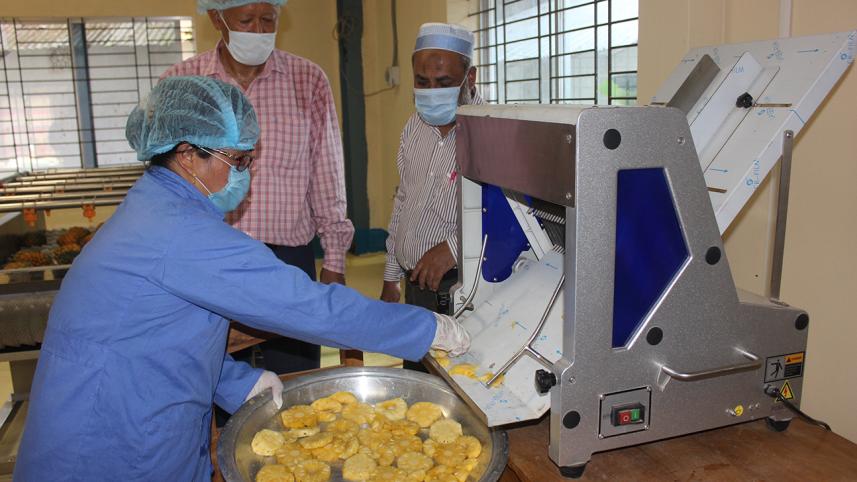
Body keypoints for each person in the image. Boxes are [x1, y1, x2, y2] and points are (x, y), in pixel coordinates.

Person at [13, 76, 469, 481]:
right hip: (107, 448)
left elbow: (158, 339)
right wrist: (426, 328)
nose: (244, 175)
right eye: (238, 161)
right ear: (188, 154)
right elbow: (308, 306)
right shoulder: (178, 232)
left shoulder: (156, 206)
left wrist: (234, 383)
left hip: (131, 412)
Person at [162, 0, 351, 376]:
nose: (259, 31)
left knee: (294, 379)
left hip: (287, 259)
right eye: (247, 20)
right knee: (214, 374)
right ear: (217, 18)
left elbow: (326, 169)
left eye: (269, 19)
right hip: (210, 256)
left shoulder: (307, 79)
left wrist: (335, 259)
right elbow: (168, 176)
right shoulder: (184, 82)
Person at [380, 24, 482, 372]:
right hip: (415, 289)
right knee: (420, 385)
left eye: (443, 82)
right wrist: (391, 276)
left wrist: (453, 248)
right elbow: (404, 201)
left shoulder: (495, 131)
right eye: (422, 82)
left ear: (470, 77)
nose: (431, 92)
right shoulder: (414, 128)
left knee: (460, 387)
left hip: (463, 292)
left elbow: (513, 217)